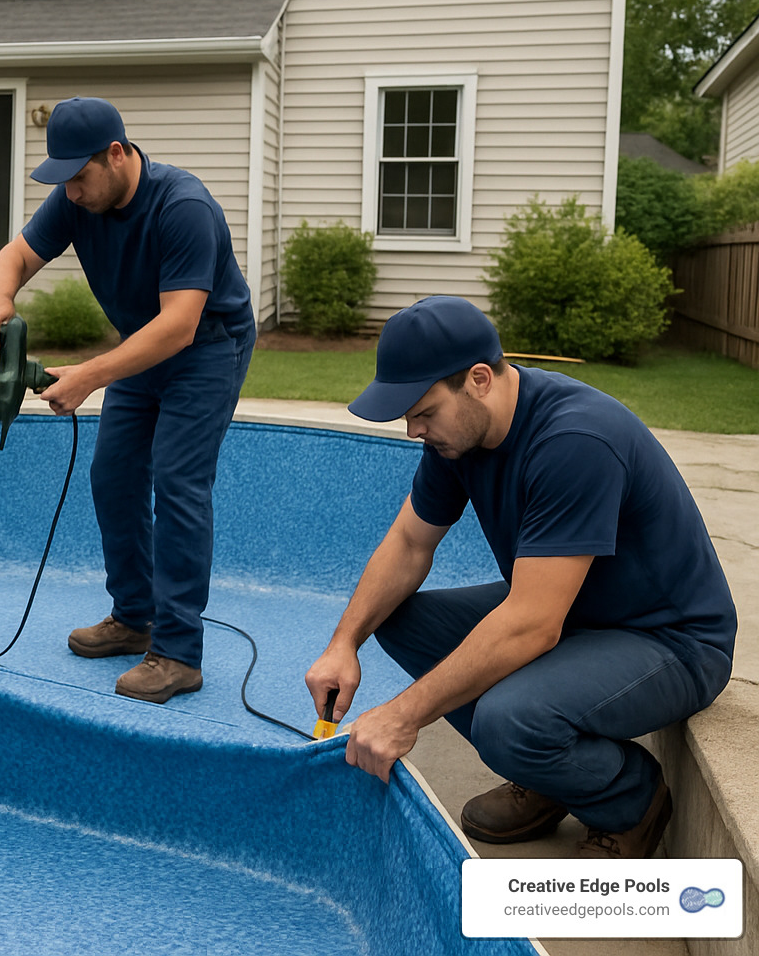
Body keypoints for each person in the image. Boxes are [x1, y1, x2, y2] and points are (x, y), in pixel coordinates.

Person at [305, 295, 736, 858]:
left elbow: (532, 625)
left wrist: (402, 715)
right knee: (401, 620)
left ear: (478, 379)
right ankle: (549, 774)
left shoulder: (574, 441)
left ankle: (629, 799)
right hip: (580, 614)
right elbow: (410, 543)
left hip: (669, 639)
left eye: (422, 411)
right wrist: (344, 642)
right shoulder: (460, 435)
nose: (413, 429)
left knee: (509, 722)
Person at [0, 96, 255, 704]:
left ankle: (179, 653)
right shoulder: (76, 197)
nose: (70, 193)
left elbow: (180, 324)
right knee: (113, 475)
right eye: (62, 181)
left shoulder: (183, 207)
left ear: (117, 154)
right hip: (141, 345)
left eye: (79, 178)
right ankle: (135, 618)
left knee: (178, 482)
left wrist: (90, 375)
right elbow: (19, 254)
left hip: (207, 347)